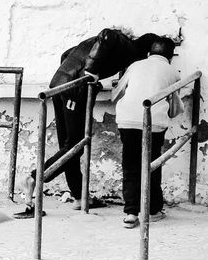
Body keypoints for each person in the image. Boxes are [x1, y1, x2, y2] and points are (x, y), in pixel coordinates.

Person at [14, 28, 162, 219]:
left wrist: (87, 79)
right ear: (147, 53)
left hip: (60, 86)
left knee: (69, 146)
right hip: (74, 92)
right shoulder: (127, 47)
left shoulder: (105, 47)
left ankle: (79, 196)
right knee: (75, 145)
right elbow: (107, 34)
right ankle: (34, 177)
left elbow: (66, 54)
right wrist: (90, 72)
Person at [111, 37, 181, 228]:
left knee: (130, 165)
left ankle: (131, 213)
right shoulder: (172, 71)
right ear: (170, 57)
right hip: (153, 122)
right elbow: (175, 105)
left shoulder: (135, 65)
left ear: (149, 54)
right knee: (152, 164)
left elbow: (116, 93)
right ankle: (153, 210)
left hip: (126, 120)